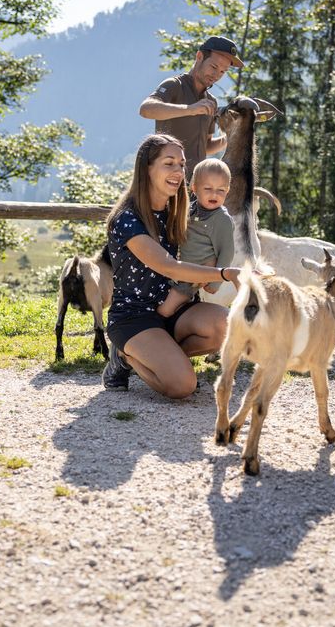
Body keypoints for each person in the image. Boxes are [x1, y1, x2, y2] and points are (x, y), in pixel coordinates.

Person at [102, 134, 241, 398]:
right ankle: (125, 355)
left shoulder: (179, 212)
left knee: (227, 326)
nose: (178, 171)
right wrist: (225, 273)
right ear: (147, 168)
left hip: (175, 309)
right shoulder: (127, 219)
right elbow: (168, 266)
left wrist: (210, 263)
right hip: (134, 317)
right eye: (169, 163)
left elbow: (203, 245)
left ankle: (164, 356)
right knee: (182, 386)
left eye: (182, 164)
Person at [138, 35, 244, 178]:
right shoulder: (174, 85)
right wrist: (190, 109)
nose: (216, 75)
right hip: (165, 179)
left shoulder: (211, 101)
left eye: (222, 72)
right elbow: (146, 109)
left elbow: (207, 146)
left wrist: (233, 135)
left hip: (195, 184)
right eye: (214, 67)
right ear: (199, 56)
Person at [155, 158, 235, 317]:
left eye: (221, 190)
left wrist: (215, 281)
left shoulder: (221, 219)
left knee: (165, 310)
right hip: (179, 268)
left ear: (227, 190)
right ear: (194, 188)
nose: (214, 194)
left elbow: (227, 252)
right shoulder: (191, 209)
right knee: (167, 303)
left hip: (193, 274)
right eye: (208, 188)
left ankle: (166, 332)